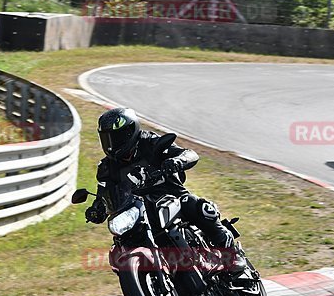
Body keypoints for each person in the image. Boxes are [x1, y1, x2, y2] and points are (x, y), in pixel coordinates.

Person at [84, 107, 245, 272]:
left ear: (130, 131)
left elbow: (189, 154)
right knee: (120, 246)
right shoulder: (106, 168)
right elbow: (103, 193)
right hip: (139, 211)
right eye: (107, 138)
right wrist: (97, 209)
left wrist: (177, 161)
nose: (112, 143)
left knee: (199, 207)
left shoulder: (150, 142)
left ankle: (231, 253)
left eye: (116, 137)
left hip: (172, 196)